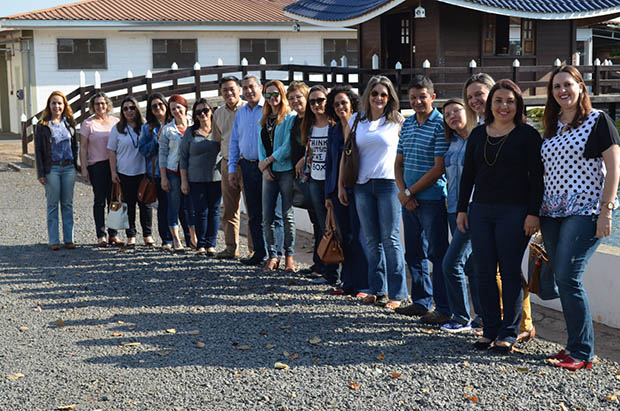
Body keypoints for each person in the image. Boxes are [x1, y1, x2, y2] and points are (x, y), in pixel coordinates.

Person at [540, 65, 620, 370]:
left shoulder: (598, 121)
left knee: (568, 278)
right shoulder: (552, 125)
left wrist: (606, 211)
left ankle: (582, 352)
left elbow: (614, 169)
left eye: (567, 84)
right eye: (556, 86)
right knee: (559, 279)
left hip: (585, 211)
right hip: (551, 212)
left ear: (580, 87)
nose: (562, 90)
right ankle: (573, 345)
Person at [457, 79, 543, 353]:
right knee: (483, 272)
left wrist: (533, 213)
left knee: (508, 272)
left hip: (515, 212)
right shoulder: (478, 135)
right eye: (498, 101)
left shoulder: (528, 136)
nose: (503, 106)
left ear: (517, 105)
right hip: (481, 210)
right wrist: (462, 208)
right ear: (490, 104)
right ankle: (490, 329)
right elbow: (468, 175)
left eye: (509, 101)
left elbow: (537, 180)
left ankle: (509, 332)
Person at [340, 75, 408, 309]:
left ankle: (397, 294)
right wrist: (341, 185)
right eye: (375, 93)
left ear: (390, 98)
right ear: (367, 95)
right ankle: (377, 289)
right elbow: (346, 154)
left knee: (390, 239)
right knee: (370, 240)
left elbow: (404, 155)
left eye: (383, 94)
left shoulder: (397, 120)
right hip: (362, 185)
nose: (378, 98)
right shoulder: (356, 120)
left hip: (388, 184)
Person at [394, 75, 450, 324]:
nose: (417, 101)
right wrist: (403, 192)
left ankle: (443, 306)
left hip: (431, 199)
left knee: (437, 253)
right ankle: (420, 301)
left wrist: (410, 193)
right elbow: (398, 161)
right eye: (413, 97)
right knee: (414, 252)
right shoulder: (406, 124)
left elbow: (439, 168)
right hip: (409, 199)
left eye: (422, 97)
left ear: (433, 97)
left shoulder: (440, 124)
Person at [229, 75, 283, 266]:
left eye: (251, 87)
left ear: (260, 87)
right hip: (247, 165)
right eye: (244, 88)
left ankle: (276, 253)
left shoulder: (269, 109)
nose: (248, 91)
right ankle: (259, 252)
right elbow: (234, 141)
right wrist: (232, 168)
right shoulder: (241, 113)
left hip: (268, 166)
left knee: (272, 212)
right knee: (253, 213)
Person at [437, 98, 478, 332]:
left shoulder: (478, 137)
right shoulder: (450, 142)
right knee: (470, 265)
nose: (452, 116)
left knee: (452, 263)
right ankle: (479, 317)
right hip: (453, 207)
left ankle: (461, 317)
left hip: (472, 209)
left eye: (456, 111)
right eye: (447, 114)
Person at [325, 84, 370, 296]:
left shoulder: (361, 126)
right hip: (337, 190)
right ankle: (348, 282)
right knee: (346, 237)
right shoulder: (333, 131)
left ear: (352, 103)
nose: (340, 107)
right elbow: (330, 162)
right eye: (336, 104)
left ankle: (363, 284)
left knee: (360, 236)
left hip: (359, 187)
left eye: (344, 102)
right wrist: (329, 194)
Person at [299, 85, 340, 284]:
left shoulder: (335, 125)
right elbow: (310, 150)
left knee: (333, 225)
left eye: (320, 100)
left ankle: (334, 273)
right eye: (312, 101)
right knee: (320, 224)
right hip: (314, 179)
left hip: (331, 181)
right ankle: (323, 267)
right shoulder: (310, 125)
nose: (316, 105)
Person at [258, 80, 297, 272]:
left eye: (275, 94)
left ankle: (289, 255)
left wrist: (270, 160)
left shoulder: (289, 117)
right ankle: (272, 254)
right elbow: (260, 144)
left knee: (287, 214)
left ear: (282, 95)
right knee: (268, 216)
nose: (272, 98)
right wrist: (264, 166)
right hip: (268, 171)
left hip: (285, 170)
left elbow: (289, 145)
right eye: (268, 94)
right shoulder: (264, 118)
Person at [288, 81, 325, 279]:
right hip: (304, 178)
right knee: (315, 222)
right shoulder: (296, 121)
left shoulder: (315, 122)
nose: (295, 101)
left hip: (316, 176)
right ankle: (318, 263)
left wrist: (305, 157)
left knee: (322, 222)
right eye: (291, 98)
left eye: (298, 97)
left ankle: (323, 265)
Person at [212, 76, 251, 259]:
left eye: (231, 89)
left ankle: (254, 249)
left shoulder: (248, 108)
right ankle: (230, 248)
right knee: (229, 209)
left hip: (247, 163)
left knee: (252, 209)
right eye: (224, 90)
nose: (228, 93)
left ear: (239, 89)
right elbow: (218, 138)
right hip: (227, 163)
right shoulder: (218, 113)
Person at [35, 91, 78, 250]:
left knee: (67, 204)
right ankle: (54, 240)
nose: (57, 106)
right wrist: (40, 173)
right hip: (51, 168)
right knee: (52, 205)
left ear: (64, 105)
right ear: (49, 105)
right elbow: (38, 150)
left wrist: (76, 166)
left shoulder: (70, 123)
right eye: (53, 103)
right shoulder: (43, 125)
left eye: (59, 103)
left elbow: (75, 146)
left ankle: (69, 239)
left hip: (68, 168)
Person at [107, 96, 152, 247]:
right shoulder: (117, 129)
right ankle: (131, 235)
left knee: (145, 204)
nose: (129, 111)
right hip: (125, 172)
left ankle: (147, 235)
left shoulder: (145, 125)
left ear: (137, 109)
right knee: (129, 205)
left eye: (132, 108)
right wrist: (113, 172)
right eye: (125, 108)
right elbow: (112, 152)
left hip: (143, 171)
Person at [180, 99, 222, 256]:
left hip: (216, 178)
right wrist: (184, 181)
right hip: (195, 179)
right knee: (200, 211)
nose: (202, 114)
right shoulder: (190, 133)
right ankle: (201, 244)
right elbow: (183, 158)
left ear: (211, 111)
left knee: (214, 211)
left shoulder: (217, 130)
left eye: (205, 110)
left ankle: (211, 244)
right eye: (198, 112)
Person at [79, 92, 121, 247]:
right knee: (99, 200)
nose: (100, 106)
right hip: (96, 165)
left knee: (114, 200)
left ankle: (113, 234)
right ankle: (101, 235)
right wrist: (84, 169)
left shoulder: (116, 121)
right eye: (97, 104)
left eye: (103, 103)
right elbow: (83, 148)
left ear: (107, 104)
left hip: (114, 165)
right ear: (92, 106)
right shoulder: (88, 124)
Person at [159, 94, 196, 251]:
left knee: (192, 207)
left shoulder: (194, 126)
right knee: (174, 205)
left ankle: (194, 238)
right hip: (173, 171)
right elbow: (162, 154)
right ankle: (176, 239)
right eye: (173, 109)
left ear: (185, 108)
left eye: (179, 108)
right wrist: (163, 178)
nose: (176, 111)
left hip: (193, 172)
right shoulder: (167, 130)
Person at [138, 93, 174, 249]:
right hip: (158, 173)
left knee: (182, 206)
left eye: (160, 104)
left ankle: (187, 238)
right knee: (163, 207)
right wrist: (156, 139)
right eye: (154, 106)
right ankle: (166, 239)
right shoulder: (148, 128)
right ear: (150, 110)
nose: (158, 108)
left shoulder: (176, 122)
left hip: (177, 171)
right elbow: (143, 151)